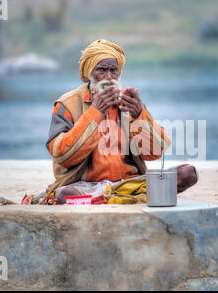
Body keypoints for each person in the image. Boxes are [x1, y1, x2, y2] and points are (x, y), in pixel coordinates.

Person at [45, 39, 198, 204]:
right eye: (102, 70)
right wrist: (95, 112)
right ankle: (122, 199)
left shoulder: (127, 102)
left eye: (113, 70)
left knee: (188, 174)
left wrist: (139, 114)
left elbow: (155, 152)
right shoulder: (67, 104)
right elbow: (62, 155)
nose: (108, 77)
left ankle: (111, 198)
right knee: (65, 194)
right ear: (89, 71)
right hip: (86, 185)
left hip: (129, 183)